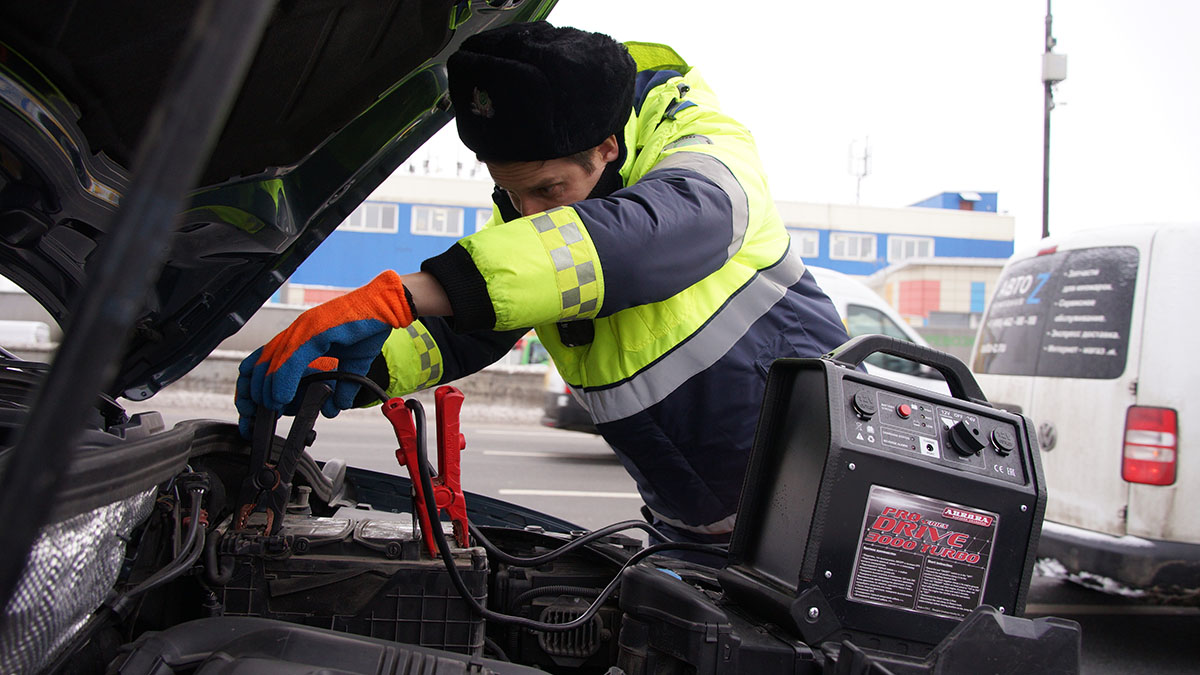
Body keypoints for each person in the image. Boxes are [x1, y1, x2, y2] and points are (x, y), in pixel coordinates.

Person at [236, 22, 849, 546]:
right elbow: (475, 322)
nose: (528, 214)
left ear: (606, 148)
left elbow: (662, 233)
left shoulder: (699, 142)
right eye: (510, 192)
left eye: (549, 190)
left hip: (839, 509)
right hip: (693, 532)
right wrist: (347, 369)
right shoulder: (536, 219)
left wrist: (402, 293)